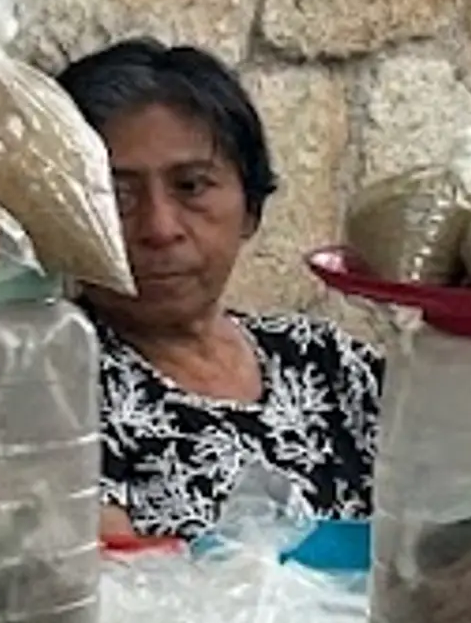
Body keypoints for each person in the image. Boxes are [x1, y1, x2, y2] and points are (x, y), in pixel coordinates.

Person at [57, 41, 383, 536]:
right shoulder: (54, 388)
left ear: (249, 206)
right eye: (116, 195)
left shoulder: (325, 363)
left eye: (191, 186)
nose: (159, 228)